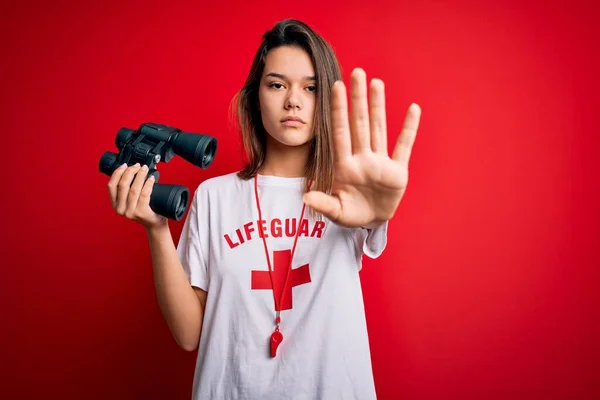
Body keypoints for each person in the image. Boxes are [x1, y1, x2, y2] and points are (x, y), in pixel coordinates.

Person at [107, 18, 421, 400]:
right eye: (277, 84)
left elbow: (368, 214)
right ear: (256, 96)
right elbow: (189, 334)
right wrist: (156, 229)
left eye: (311, 87)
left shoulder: (348, 194)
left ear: (327, 101)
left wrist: (377, 214)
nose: (293, 100)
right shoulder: (214, 197)